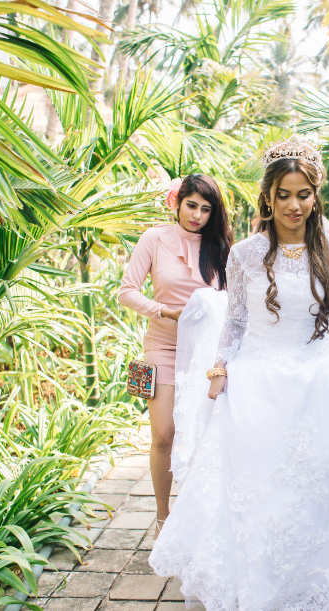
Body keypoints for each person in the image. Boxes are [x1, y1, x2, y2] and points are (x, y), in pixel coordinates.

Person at [148, 136, 329, 609]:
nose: (293, 205)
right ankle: (264, 575)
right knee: (265, 482)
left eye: (302, 194)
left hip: (325, 371)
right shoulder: (244, 253)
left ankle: (320, 572)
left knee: (323, 481)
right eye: (283, 195)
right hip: (262, 375)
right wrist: (220, 366)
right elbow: (238, 319)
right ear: (267, 197)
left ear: (315, 196)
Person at [117, 173, 232, 538]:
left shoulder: (223, 246)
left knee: (208, 433)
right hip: (163, 346)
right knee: (164, 434)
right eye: (191, 205)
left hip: (207, 352)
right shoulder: (154, 238)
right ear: (177, 203)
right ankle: (164, 516)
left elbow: (236, 301)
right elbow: (126, 291)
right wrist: (166, 312)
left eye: (206, 209)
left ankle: (207, 514)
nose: (197, 215)